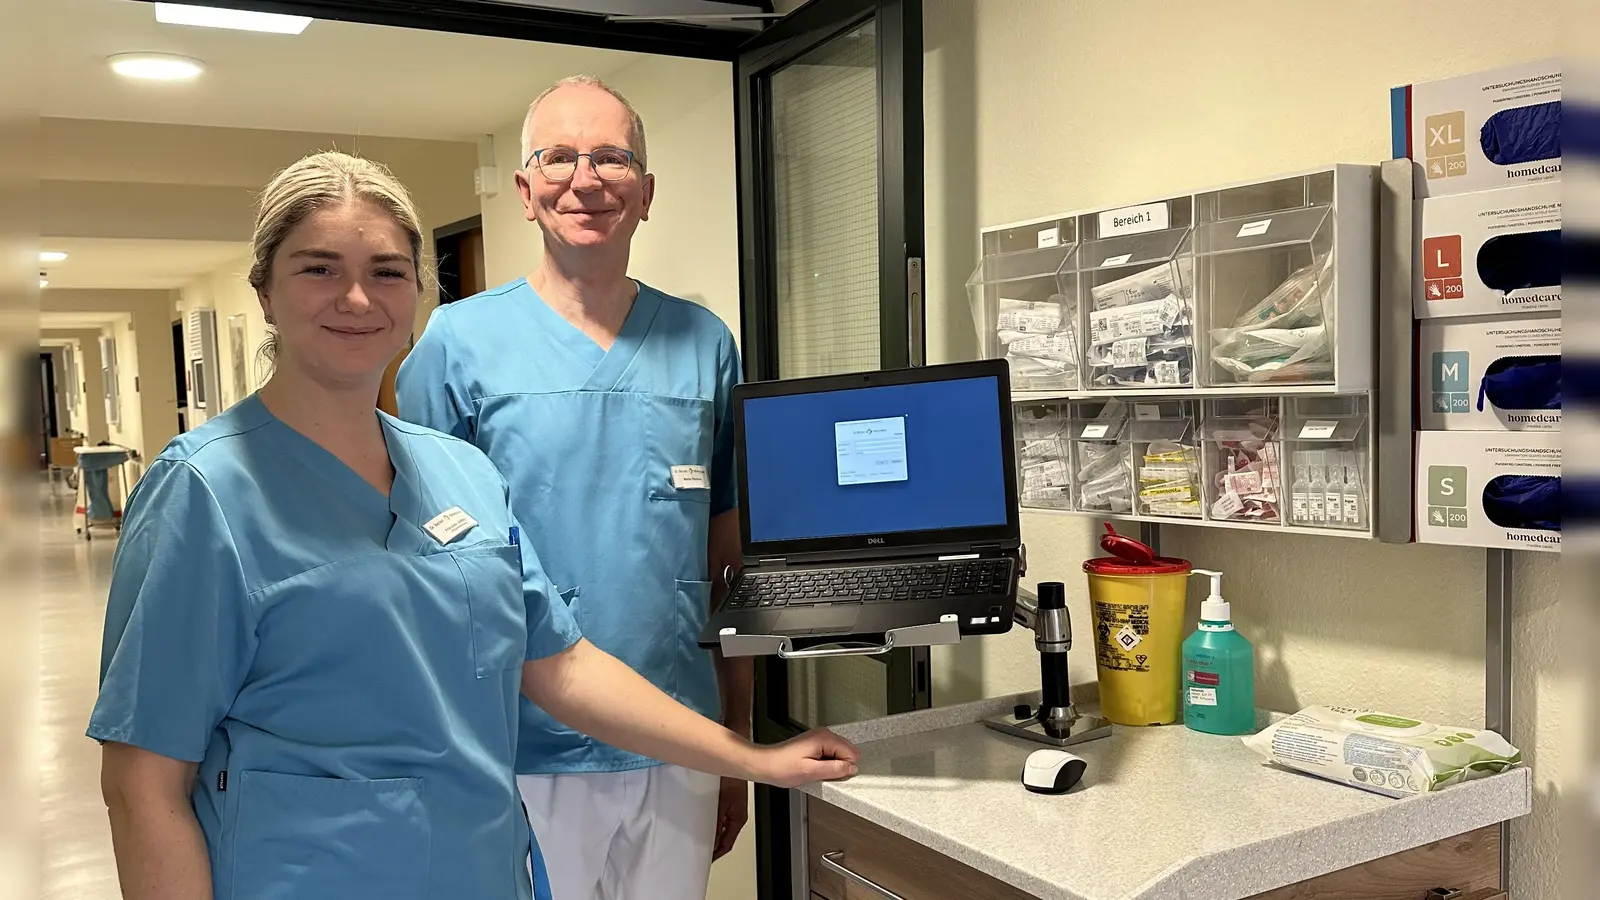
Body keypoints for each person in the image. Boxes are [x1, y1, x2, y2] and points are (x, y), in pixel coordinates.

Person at [88, 151, 857, 900]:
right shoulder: (202, 491)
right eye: (318, 267)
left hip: (480, 866)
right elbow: (143, 786)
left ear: (418, 295)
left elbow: (559, 665)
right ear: (265, 290)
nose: (357, 299)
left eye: (388, 272)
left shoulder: (460, 473)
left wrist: (754, 758)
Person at [397, 76, 750, 900]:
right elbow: (419, 577)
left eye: (613, 158)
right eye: (559, 157)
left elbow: (727, 559)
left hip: (680, 734)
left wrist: (735, 738)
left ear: (647, 192)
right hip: (519, 747)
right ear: (524, 189)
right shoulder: (457, 344)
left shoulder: (705, 344)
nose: (585, 180)